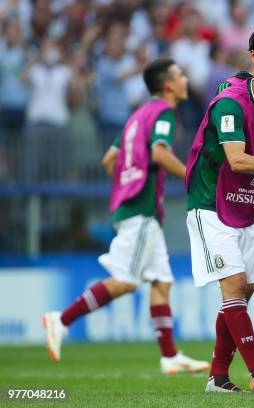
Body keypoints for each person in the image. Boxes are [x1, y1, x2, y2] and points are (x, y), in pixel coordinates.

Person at [43, 58, 209, 375]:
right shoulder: (163, 112)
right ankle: (60, 320)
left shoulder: (137, 116)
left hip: (131, 204)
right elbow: (160, 153)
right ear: (168, 85)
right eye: (180, 74)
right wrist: (192, 177)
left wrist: (126, 181)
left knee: (161, 281)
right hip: (141, 208)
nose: (186, 78)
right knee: (125, 282)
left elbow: (110, 159)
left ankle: (170, 355)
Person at [184, 48, 254, 393]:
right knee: (234, 285)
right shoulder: (230, 103)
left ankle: (218, 376)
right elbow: (237, 160)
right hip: (210, 204)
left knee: (250, 287)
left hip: (246, 204)